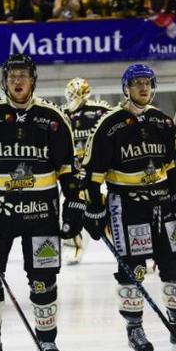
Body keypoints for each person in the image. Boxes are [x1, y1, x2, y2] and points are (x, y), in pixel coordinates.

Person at [0, 53, 83, 351]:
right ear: (4, 80)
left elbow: (67, 168)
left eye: (23, 75)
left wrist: (74, 203)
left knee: (43, 280)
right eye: (12, 75)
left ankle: (47, 340)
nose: (17, 81)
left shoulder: (53, 119)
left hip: (40, 213)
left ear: (33, 80)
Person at [83, 63, 176, 351]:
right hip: (127, 206)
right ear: (125, 88)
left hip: (162, 205)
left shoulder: (163, 122)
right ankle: (135, 329)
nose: (143, 88)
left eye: (148, 83)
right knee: (133, 269)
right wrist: (92, 208)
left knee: (175, 265)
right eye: (137, 83)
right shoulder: (109, 124)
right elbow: (93, 173)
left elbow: (170, 166)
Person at [61, 77, 111, 265]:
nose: (72, 98)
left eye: (75, 94)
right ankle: (73, 247)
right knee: (71, 210)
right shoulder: (63, 113)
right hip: (72, 172)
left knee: (102, 207)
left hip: (96, 171)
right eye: (70, 94)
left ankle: (123, 245)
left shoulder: (100, 111)